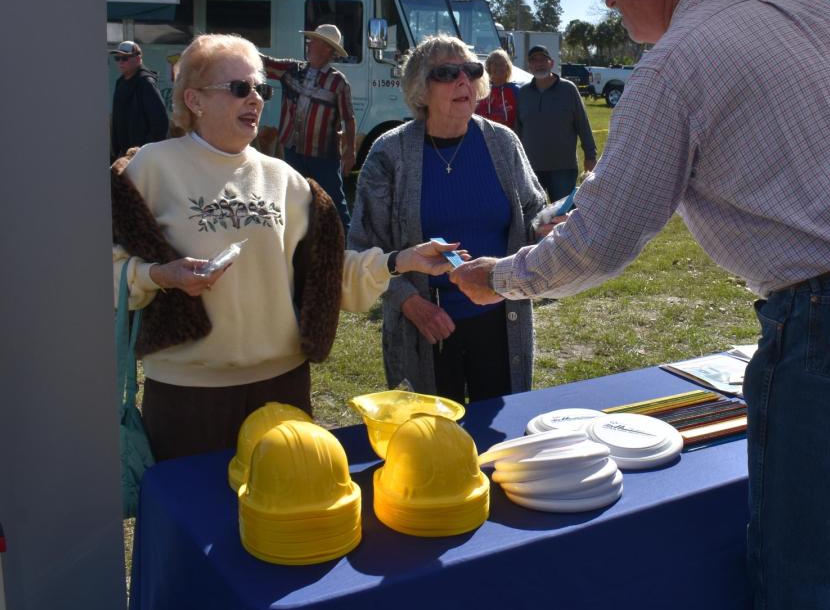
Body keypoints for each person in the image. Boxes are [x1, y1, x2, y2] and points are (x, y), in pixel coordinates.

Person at [450, 0, 830, 609]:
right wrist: (566, 210)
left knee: (799, 568)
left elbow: (606, 243)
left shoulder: (674, 63)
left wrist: (501, 281)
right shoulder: (813, 8)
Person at [111, 33, 461, 462]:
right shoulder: (150, 167)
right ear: (195, 99)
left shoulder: (286, 178)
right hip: (189, 395)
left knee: (281, 525)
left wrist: (400, 260)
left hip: (282, 388)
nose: (256, 99)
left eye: (261, 88)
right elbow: (104, 273)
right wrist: (159, 276)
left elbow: (326, 275)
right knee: (194, 522)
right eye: (240, 88)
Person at [346, 34, 551, 405]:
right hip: (428, 326)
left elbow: (534, 207)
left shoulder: (503, 143)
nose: (463, 81)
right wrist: (410, 303)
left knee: (499, 438)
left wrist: (545, 224)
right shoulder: (389, 153)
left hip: (501, 318)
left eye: (471, 70)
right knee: (432, 439)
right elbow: (364, 246)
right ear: (420, 88)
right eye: (447, 73)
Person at [255, 23, 358, 228]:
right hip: (293, 150)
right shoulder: (292, 70)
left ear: (327, 48)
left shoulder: (338, 82)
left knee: (334, 203)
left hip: (324, 156)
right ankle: (299, 241)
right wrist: (238, 48)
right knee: (294, 198)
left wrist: (349, 152)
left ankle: (348, 245)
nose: (309, 44)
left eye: (314, 41)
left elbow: (349, 118)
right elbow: (264, 62)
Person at [516, 44, 598, 202]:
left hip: (563, 168)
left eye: (543, 59)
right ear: (529, 66)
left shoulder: (568, 89)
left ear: (551, 63)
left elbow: (583, 125)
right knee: (533, 218)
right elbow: (518, 131)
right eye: (534, 60)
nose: (539, 64)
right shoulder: (523, 93)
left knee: (562, 217)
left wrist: (590, 156)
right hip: (530, 168)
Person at [109, 40, 169, 160]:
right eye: (117, 58)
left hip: (141, 157)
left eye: (125, 58)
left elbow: (160, 123)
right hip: (122, 154)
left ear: (137, 59)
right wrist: (116, 150)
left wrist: (143, 152)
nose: (120, 62)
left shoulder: (146, 82)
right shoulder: (120, 82)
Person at [474, 49, 521, 130]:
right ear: (489, 67)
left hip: (507, 139)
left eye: (502, 64)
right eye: (495, 64)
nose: (498, 67)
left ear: (507, 67)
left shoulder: (516, 91)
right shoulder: (481, 90)